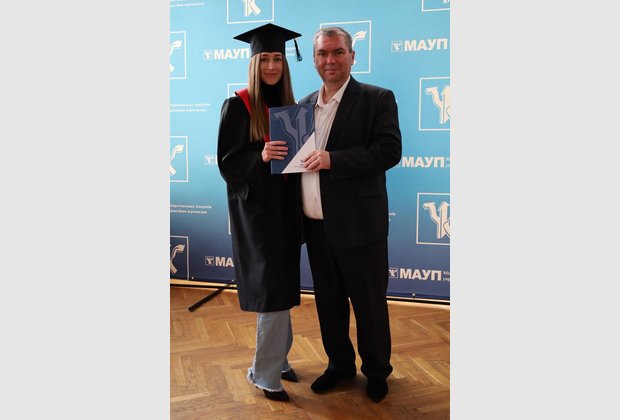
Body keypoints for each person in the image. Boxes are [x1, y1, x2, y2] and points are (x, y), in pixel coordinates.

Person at [299, 27, 402, 403]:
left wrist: (334, 160)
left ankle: (376, 371)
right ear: (314, 60)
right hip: (316, 226)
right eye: (323, 54)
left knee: (369, 305)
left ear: (352, 56)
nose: (330, 60)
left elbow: (389, 151)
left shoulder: (377, 98)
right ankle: (339, 365)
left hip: (360, 227)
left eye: (338, 52)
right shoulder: (301, 107)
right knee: (328, 304)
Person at [216, 23, 304, 402]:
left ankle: (279, 360)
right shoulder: (238, 105)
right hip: (256, 214)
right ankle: (264, 373)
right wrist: (260, 156)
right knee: (272, 290)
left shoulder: (290, 108)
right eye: (264, 58)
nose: (271, 66)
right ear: (254, 63)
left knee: (282, 286)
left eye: (277, 59)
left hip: (286, 210)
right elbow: (227, 161)